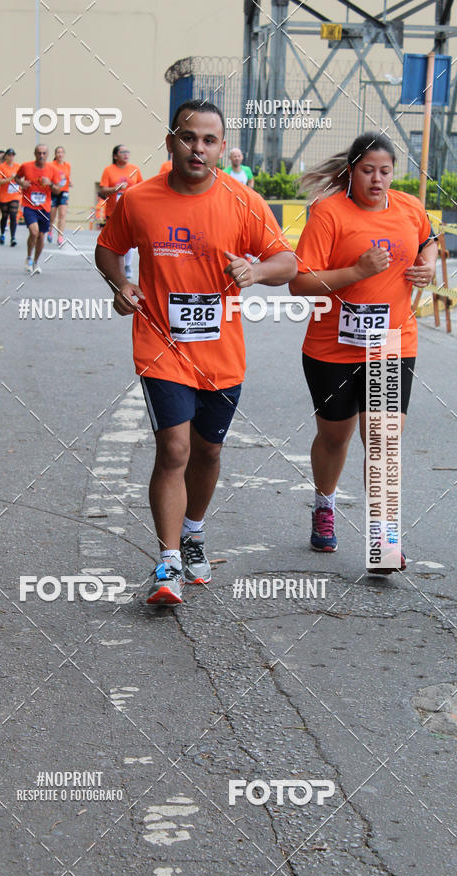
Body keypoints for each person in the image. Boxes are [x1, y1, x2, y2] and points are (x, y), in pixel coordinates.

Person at [96, 100, 297, 605]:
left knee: (207, 451)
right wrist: (121, 284)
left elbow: (288, 261)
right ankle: (166, 561)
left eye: (209, 140)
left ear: (222, 148)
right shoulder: (139, 200)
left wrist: (257, 272)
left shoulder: (244, 200)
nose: (198, 148)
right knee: (175, 450)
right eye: (188, 138)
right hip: (160, 345)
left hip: (222, 352)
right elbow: (107, 248)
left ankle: (193, 532)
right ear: (171, 143)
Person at [289, 132, 437, 573]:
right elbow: (300, 283)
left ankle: (383, 538)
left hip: (392, 341)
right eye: (368, 170)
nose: (377, 179)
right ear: (351, 170)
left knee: (384, 439)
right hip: (332, 346)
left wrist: (427, 262)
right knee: (336, 437)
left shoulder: (409, 207)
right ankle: (324, 504)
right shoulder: (329, 213)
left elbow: (429, 237)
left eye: (385, 171)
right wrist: (356, 271)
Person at [99, 144, 143, 279]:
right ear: (115, 156)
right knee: (115, 239)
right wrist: (115, 189)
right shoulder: (109, 170)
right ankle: (114, 266)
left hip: (131, 209)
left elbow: (142, 186)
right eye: (122, 152)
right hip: (113, 210)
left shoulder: (134, 169)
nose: (126, 154)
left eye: (127, 152)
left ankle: (127, 265)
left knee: (130, 237)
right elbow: (103, 190)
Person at [15, 143, 57, 273]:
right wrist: (22, 182)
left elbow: (58, 190)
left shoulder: (52, 169)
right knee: (34, 232)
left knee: (41, 236)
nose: (41, 156)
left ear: (48, 155)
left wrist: (50, 184)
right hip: (29, 205)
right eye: (39, 153)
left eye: (44, 153)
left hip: (44, 207)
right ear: (35, 154)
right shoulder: (26, 166)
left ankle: (36, 262)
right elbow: (16, 177)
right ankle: (28, 258)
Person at [0, 149, 20, 247]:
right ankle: (2, 234)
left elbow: (22, 177)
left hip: (15, 195)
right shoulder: (1, 167)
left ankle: (13, 237)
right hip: (4, 196)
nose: (11, 157)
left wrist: (19, 180)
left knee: (13, 215)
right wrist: (10, 179)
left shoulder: (18, 166)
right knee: (4, 216)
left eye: (13, 155)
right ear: (5, 156)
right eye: (9, 155)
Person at [49, 145, 71, 247]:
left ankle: (60, 236)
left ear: (64, 154)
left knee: (62, 214)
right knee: (52, 215)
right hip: (53, 191)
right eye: (58, 152)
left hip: (64, 191)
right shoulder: (51, 165)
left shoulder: (67, 165)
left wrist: (69, 182)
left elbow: (67, 177)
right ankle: (50, 230)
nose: (60, 154)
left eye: (62, 152)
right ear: (55, 154)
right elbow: (49, 178)